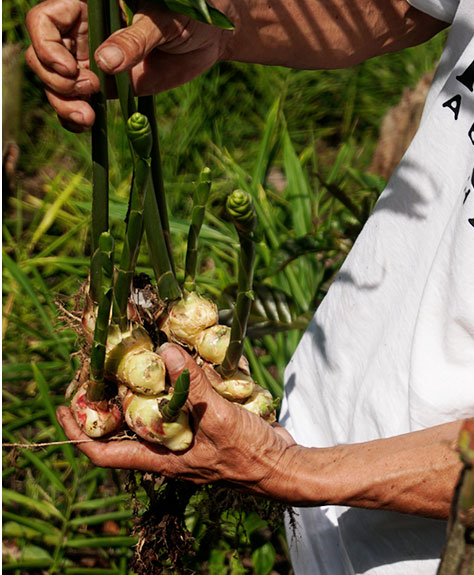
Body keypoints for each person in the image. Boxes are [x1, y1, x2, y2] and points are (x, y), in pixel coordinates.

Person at [26, 0, 474, 573]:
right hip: (325, 458)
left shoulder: (289, 468)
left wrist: (288, 469)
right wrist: (216, 22)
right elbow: (407, 6)